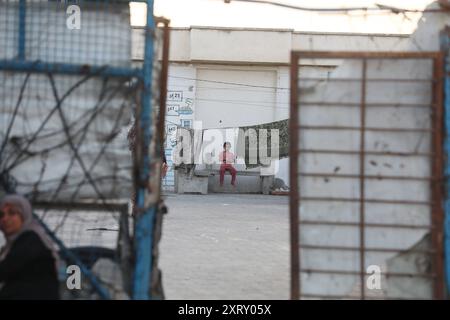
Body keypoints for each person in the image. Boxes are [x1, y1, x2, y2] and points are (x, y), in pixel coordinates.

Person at [0, 194, 60, 300]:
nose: (5, 219)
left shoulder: (31, 239)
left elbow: (5, 269)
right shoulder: (12, 245)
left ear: (24, 216)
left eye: (12, 213)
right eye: (1, 215)